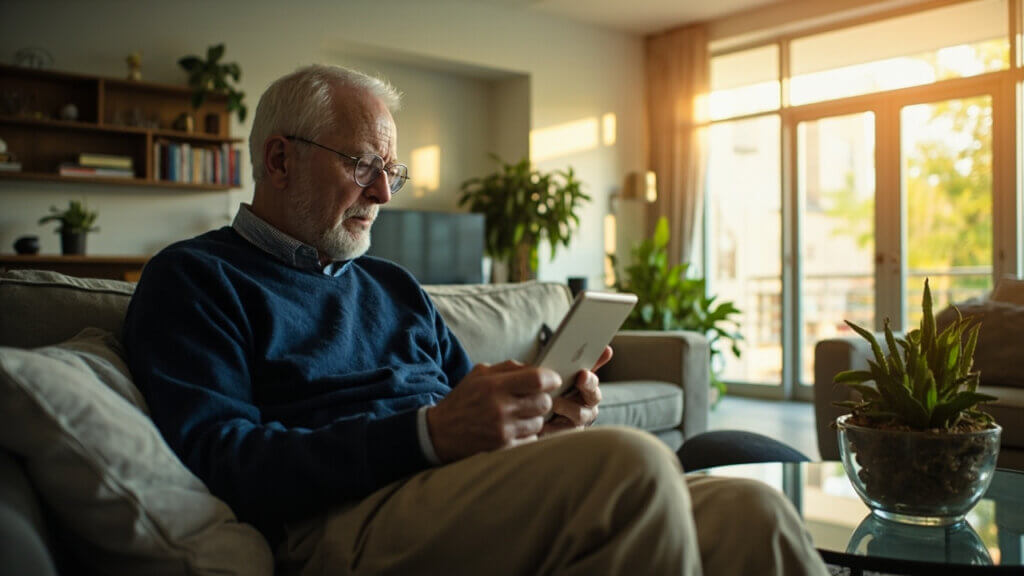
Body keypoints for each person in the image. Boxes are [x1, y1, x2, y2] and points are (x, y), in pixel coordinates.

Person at [123, 64, 829, 576]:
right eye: (363, 163)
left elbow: (472, 414)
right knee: (634, 464)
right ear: (279, 159)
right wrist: (426, 435)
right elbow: (224, 458)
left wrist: (544, 424)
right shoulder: (196, 278)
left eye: (390, 173)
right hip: (341, 519)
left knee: (749, 511)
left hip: (453, 495)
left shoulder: (395, 286)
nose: (381, 193)